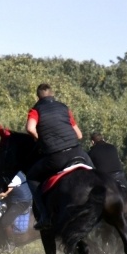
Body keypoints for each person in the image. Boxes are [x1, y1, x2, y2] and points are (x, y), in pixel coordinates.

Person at [25, 83, 93, 230]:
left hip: (57, 157)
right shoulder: (64, 108)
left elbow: (30, 128)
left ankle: (44, 216)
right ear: (52, 94)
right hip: (77, 152)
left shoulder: (35, 110)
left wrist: (39, 138)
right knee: (96, 174)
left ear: (38, 97)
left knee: (30, 176)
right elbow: (79, 135)